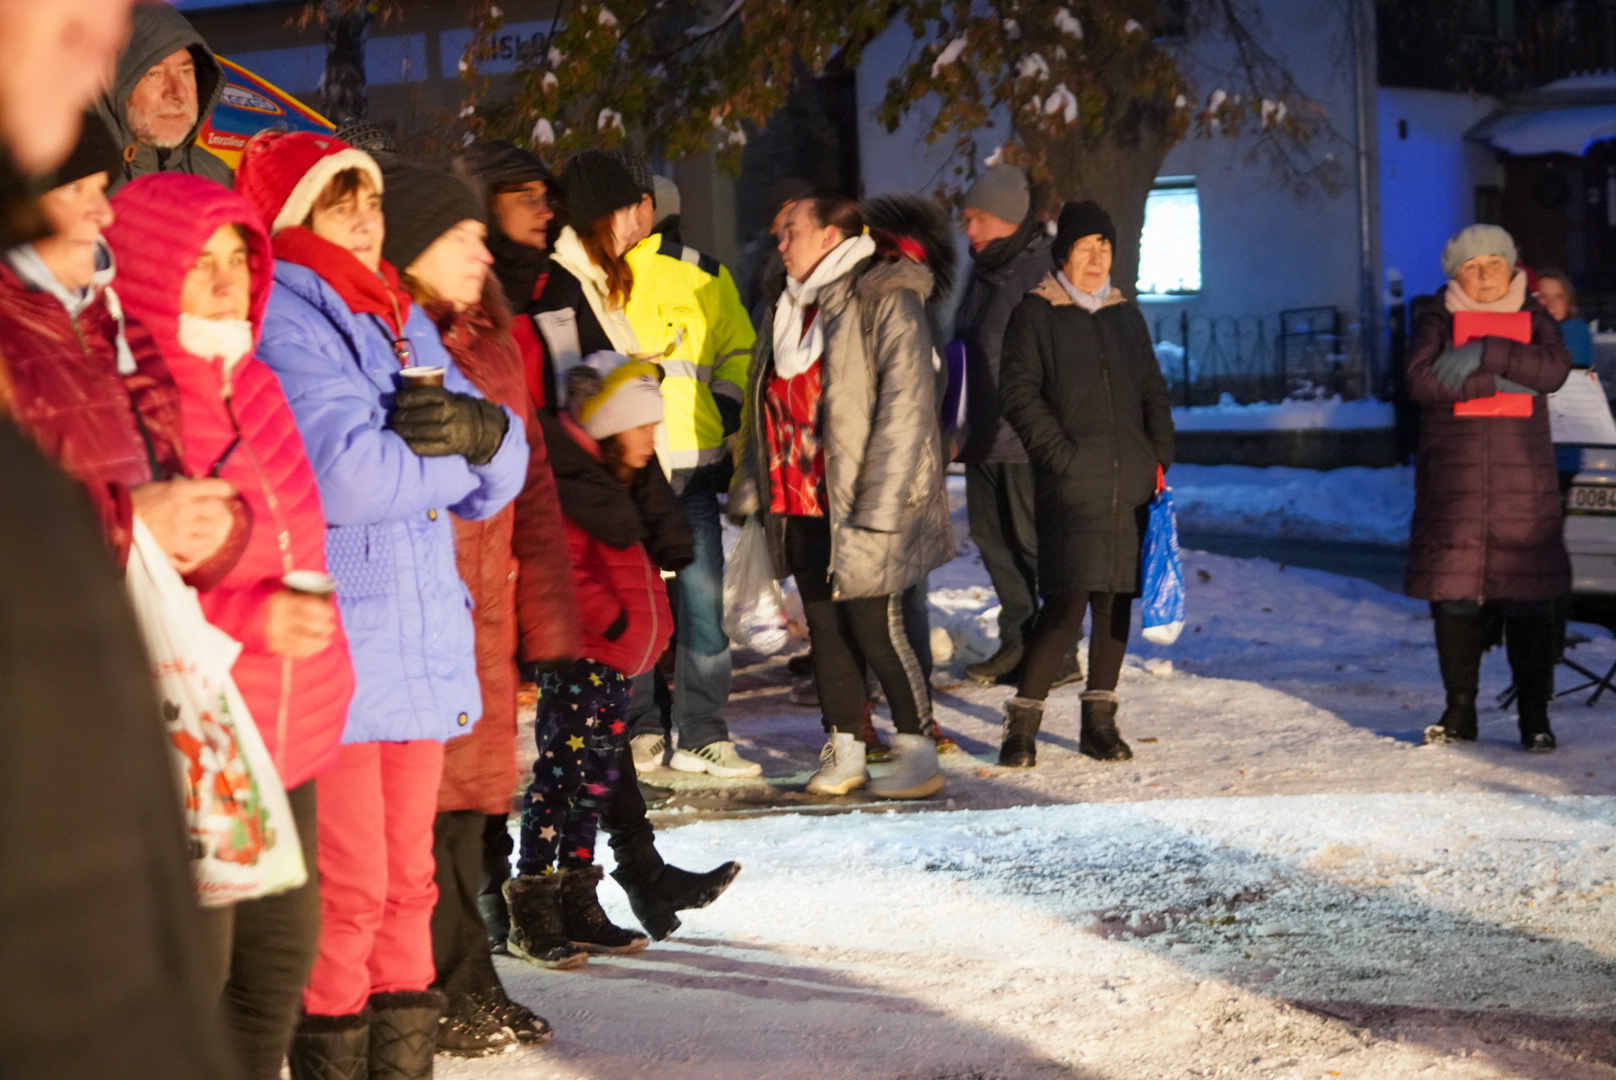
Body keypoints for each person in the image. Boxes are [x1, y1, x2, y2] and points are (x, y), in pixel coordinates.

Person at [236, 130, 528, 1078]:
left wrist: (482, 435)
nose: (366, 220)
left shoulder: (390, 315)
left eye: (370, 202)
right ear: (295, 216)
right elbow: (348, 478)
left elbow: (508, 464)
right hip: (342, 652)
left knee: (409, 885)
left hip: (414, 644)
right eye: (342, 203)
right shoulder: (282, 315)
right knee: (351, 892)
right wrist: (464, 455)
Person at [0, 1, 236, 1073]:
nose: (100, 47)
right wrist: (132, 523)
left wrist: (206, 532)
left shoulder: (101, 316)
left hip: (139, 686)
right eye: (70, 23)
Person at [105, 172, 354, 1080]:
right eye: (197, 262)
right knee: (193, 987)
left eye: (237, 260)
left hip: (289, 735)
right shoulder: (127, 402)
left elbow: (298, 537)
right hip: (195, 740)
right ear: (147, 268)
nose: (223, 282)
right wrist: (254, 615)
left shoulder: (255, 383)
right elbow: (124, 591)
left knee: (275, 972)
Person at [377, 162, 577, 1055]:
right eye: (461, 238)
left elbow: (530, 483)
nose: (482, 252)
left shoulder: (493, 341)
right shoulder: (388, 340)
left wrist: (549, 614)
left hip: (483, 610)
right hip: (417, 605)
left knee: (466, 813)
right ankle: (439, 984)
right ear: (411, 247)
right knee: (418, 813)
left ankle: (467, 978)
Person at [730, 191, 954, 799]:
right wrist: (752, 491)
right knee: (825, 632)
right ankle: (845, 751)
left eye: (791, 231)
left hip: (862, 502)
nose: (780, 243)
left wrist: (879, 505)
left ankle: (917, 754)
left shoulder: (885, 298)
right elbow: (761, 407)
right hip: (799, 498)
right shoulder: (786, 307)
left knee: (876, 629)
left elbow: (906, 408)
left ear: (830, 236)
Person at [505, 360, 690, 966]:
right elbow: (565, 570)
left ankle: (579, 900)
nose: (651, 441)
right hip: (581, 657)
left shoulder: (618, 486)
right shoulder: (578, 491)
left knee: (595, 784)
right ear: (611, 428)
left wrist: (646, 631)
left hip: (614, 663)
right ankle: (533, 909)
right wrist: (614, 622)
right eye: (643, 427)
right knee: (559, 781)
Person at [997, 200, 1176, 768]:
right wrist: (1061, 457)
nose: (1097, 258)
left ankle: (1099, 724)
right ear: (1063, 255)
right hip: (1071, 484)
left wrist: (1159, 452)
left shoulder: (1126, 317)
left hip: (1131, 482)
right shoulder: (1037, 314)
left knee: (1115, 602)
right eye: (1085, 247)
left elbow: (1151, 388)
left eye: (1105, 247)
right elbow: (1018, 393)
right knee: (1066, 604)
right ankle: (1022, 724)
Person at [617, 154, 762, 780]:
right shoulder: (598, 278)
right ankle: (644, 727)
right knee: (647, 607)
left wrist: (724, 408)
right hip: (629, 475)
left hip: (692, 471)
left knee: (700, 611)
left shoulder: (703, 273)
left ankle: (699, 733)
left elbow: (740, 351)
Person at [1405, 224, 1572, 751]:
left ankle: (1534, 717)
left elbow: (1554, 370)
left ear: (1510, 267)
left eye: (1493, 264)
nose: (1484, 275)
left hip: (1523, 483)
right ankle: (1459, 712)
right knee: (1454, 600)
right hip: (1454, 486)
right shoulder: (1436, 318)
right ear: (1456, 275)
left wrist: (1487, 351)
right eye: (1471, 267)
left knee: (1529, 603)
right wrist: (1499, 380)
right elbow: (1422, 380)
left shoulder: (1535, 316)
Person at [954, 165, 1077, 690]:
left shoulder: (1045, 271)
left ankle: (1059, 651)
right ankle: (1019, 640)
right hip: (981, 435)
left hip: (1026, 439)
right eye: (965, 219)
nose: (969, 230)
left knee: (1035, 546)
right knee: (994, 543)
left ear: (1007, 216)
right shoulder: (983, 270)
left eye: (978, 219)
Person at [97, 1, 233, 190]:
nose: (178, 92)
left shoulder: (217, 179)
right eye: (154, 75)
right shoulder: (80, 192)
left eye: (185, 72)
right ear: (114, 86)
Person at [1535, 267, 1593, 369]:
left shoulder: (1575, 330)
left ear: (1568, 304)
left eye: (1558, 297)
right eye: (1543, 296)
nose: (1550, 303)